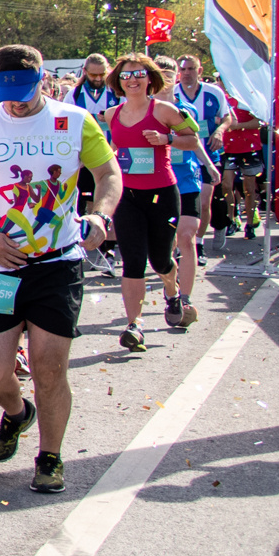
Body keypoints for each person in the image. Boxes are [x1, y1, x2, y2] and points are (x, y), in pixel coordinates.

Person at [0, 44, 121, 496]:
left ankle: (50, 457)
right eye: (8, 91)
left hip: (57, 263)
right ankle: (17, 414)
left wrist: (100, 215)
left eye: (25, 90)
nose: (17, 100)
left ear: (43, 78)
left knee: (49, 367)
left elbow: (108, 174)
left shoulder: (74, 121)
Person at [98, 53, 200, 350]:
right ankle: (135, 324)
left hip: (162, 194)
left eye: (138, 74)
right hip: (127, 196)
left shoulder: (165, 110)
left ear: (150, 78)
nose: (132, 80)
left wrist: (167, 140)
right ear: (118, 81)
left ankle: (173, 292)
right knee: (133, 261)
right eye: (126, 75)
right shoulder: (111, 114)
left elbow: (193, 139)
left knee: (160, 259)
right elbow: (110, 149)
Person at [167, 53, 226, 296]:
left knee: (196, 216)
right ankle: (170, 285)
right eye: (184, 69)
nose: (187, 72)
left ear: (199, 70)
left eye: (191, 68)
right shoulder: (149, 106)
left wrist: (220, 131)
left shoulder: (210, 95)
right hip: (164, 174)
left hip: (195, 164)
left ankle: (186, 295)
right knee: (168, 237)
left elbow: (196, 138)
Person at [217, 94, 270, 239]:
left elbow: (260, 122)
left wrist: (237, 126)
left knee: (249, 189)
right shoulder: (223, 98)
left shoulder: (248, 96)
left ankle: (251, 223)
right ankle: (232, 218)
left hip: (249, 148)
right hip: (229, 148)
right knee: (226, 185)